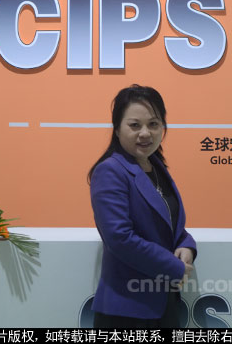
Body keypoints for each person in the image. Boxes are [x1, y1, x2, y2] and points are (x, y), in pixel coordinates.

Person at [88, 84, 197, 328]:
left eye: (154, 124)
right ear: (117, 129)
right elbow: (119, 238)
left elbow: (169, 224)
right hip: (127, 307)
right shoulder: (110, 171)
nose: (145, 133)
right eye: (135, 125)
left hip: (164, 301)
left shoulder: (156, 166)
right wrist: (173, 266)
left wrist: (186, 246)